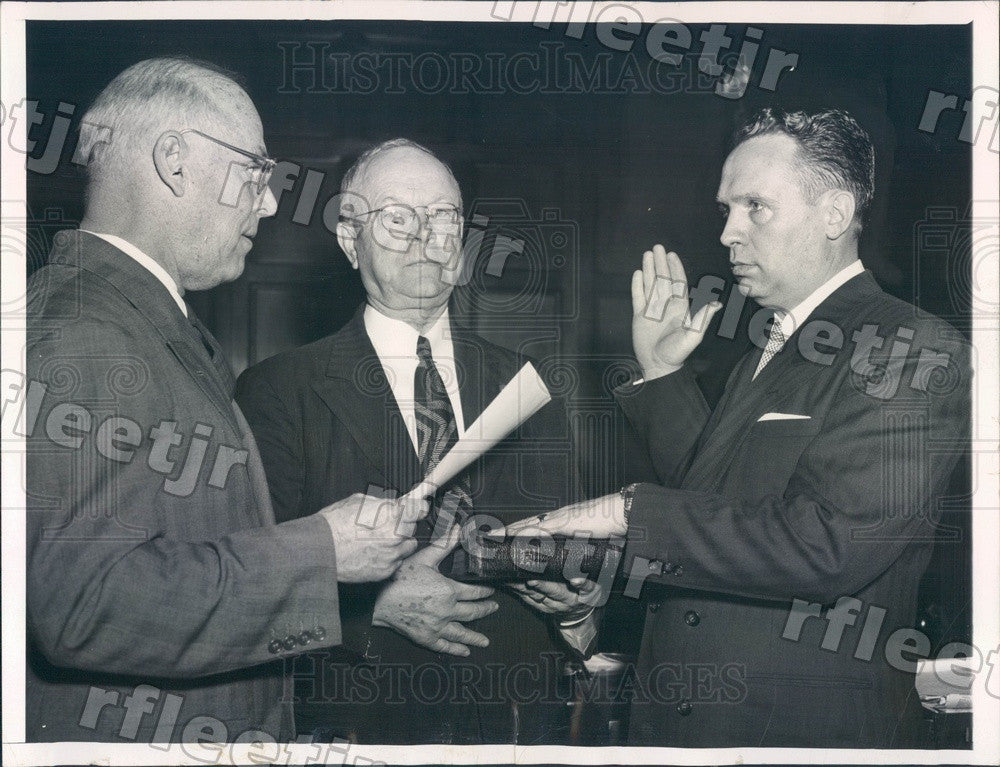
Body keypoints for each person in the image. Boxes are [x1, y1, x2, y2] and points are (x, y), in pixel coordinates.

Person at [509, 108, 971, 748]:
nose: (729, 233)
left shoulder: (910, 347)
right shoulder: (770, 348)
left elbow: (826, 547)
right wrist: (663, 372)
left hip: (802, 734)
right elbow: (726, 509)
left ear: (835, 215)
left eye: (756, 207)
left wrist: (626, 509)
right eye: (727, 209)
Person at [25, 58, 426, 743]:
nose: (269, 203)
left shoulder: (140, 318)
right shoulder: (87, 332)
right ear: (175, 163)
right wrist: (320, 552)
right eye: (255, 172)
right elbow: (85, 604)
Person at [235, 138, 597, 744]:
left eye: (445, 218)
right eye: (398, 219)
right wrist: (368, 609)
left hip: (517, 728)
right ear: (351, 242)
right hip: (366, 726)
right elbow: (245, 582)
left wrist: (580, 605)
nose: (426, 237)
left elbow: (577, 553)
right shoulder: (277, 391)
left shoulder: (528, 385)